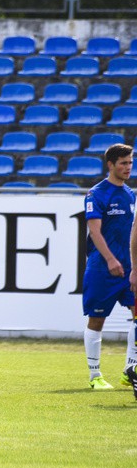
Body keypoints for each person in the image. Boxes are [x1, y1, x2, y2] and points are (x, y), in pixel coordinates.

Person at [87, 143, 136, 389]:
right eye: (123, 163)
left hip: (129, 268)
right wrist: (110, 259)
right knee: (97, 320)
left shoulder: (131, 195)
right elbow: (94, 231)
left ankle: (130, 369)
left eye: (130, 162)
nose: (128, 167)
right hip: (102, 267)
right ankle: (95, 376)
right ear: (110, 165)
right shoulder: (96, 193)